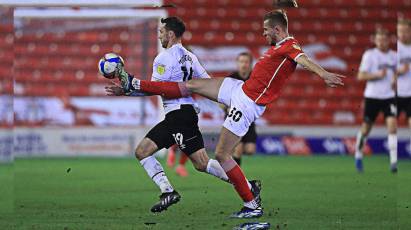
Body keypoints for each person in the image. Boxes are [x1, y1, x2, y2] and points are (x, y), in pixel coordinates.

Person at [118, 10, 345, 217]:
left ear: (277, 29)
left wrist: (323, 74)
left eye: (266, 30)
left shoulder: (289, 46)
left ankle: (251, 203)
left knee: (222, 155)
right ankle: (134, 84)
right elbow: (203, 81)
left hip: (247, 102)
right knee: (193, 85)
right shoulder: (275, 48)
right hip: (238, 89)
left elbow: (302, 59)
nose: (263, 33)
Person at [104, 17, 261, 214]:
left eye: (161, 32)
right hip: (178, 116)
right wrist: (126, 90)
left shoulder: (163, 58)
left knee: (202, 163)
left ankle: (248, 187)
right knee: (143, 151)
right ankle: (167, 191)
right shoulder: (190, 57)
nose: (159, 35)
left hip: (179, 115)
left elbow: (157, 88)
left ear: (170, 34)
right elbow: (207, 82)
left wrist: (130, 86)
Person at [354, 28, 398, 173]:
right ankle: (358, 155)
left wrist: (396, 80)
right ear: (375, 40)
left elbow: (399, 75)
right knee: (366, 128)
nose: (381, 42)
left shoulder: (394, 56)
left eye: (383, 40)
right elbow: (360, 76)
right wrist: (377, 75)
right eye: (378, 40)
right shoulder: (370, 55)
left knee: (392, 126)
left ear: (388, 40)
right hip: (372, 96)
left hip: (389, 97)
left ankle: (393, 162)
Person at [224, 52, 258, 166]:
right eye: (241, 62)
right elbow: (220, 99)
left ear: (251, 64)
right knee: (238, 149)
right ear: (237, 63)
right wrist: (227, 108)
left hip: (248, 119)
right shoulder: (231, 79)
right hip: (234, 118)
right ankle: (238, 180)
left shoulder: (255, 79)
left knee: (250, 150)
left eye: (246, 62)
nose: (244, 64)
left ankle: (230, 158)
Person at [397, 18, 411, 150]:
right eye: (400, 31)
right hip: (396, 93)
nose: (403, 34)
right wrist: (399, 71)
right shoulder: (394, 50)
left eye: (405, 31)